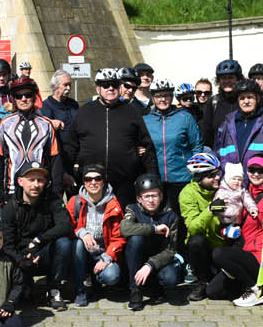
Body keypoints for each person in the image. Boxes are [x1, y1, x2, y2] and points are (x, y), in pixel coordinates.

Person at [65, 67, 150, 203]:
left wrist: (152, 176)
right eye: (105, 85)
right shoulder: (84, 112)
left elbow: (147, 146)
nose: (110, 88)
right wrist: (67, 173)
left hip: (124, 184)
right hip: (91, 183)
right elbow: (70, 146)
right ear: (98, 89)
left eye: (114, 84)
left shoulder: (131, 112)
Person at [2, 162, 72, 310]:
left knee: (64, 243)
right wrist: (21, 260)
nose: (36, 185)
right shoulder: (10, 207)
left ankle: (54, 290)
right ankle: (25, 285)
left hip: (45, 252)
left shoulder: (52, 199)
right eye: (31, 180)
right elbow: (7, 245)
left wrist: (40, 240)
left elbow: (65, 225)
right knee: (23, 295)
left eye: (40, 180)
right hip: (22, 257)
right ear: (20, 182)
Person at [227, 156, 263, 308]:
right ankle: (259, 285)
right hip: (242, 247)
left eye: (260, 170)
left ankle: (255, 288)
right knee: (214, 291)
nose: (256, 174)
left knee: (219, 254)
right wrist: (225, 230)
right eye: (252, 170)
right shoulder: (240, 194)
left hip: (259, 254)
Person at [64, 163, 125, 306]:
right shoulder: (75, 202)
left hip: (103, 253)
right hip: (81, 254)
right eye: (88, 179)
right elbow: (65, 227)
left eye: (97, 178)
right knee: (78, 243)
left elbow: (119, 237)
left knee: (112, 276)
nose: (93, 183)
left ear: (103, 181)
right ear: (83, 182)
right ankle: (80, 290)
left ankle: (96, 280)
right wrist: (82, 232)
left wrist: (107, 258)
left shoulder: (114, 204)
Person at [0, 76, 62, 201]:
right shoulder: (4, 124)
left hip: (39, 189)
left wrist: (56, 192)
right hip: (12, 189)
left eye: (28, 95)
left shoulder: (46, 124)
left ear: (34, 97)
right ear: (14, 99)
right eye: (19, 96)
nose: (23, 99)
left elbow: (55, 159)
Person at [120, 174, 182, 311]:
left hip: (158, 261)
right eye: (146, 196)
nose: (151, 200)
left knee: (170, 279)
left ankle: (155, 286)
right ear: (139, 199)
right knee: (136, 239)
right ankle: (135, 290)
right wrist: (153, 229)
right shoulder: (132, 209)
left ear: (161, 197)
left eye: (154, 196)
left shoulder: (171, 216)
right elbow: (124, 229)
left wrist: (150, 264)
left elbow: (171, 250)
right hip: (136, 259)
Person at [142, 79, 201, 216]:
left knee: (182, 217)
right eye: (158, 96)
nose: (163, 99)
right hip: (156, 178)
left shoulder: (185, 117)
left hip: (182, 177)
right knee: (160, 218)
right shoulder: (146, 120)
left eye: (167, 95)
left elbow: (196, 144)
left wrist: (193, 169)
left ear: (172, 96)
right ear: (153, 97)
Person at [178, 149, 222, 301]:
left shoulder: (224, 187)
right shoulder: (187, 193)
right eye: (211, 176)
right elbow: (193, 227)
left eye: (218, 173)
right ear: (199, 178)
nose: (217, 178)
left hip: (223, 244)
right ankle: (201, 282)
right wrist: (209, 211)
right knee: (195, 241)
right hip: (203, 248)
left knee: (218, 292)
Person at [216, 78, 263, 172]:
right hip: (232, 184)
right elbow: (218, 154)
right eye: (242, 98)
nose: (246, 101)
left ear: (257, 99)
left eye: (250, 97)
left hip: (261, 182)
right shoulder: (226, 125)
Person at [199, 59, 244, 147]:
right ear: (218, 81)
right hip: (220, 156)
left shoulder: (245, 101)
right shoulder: (213, 102)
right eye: (223, 78)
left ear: (238, 79)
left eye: (231, 77)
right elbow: (207, 135)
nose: (227, 81)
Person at [39, 71, 79, 137]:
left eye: (70, 85)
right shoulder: (45, 106)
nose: (68, 88)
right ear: (55, 86)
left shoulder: (73, 104)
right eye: (65, 85)